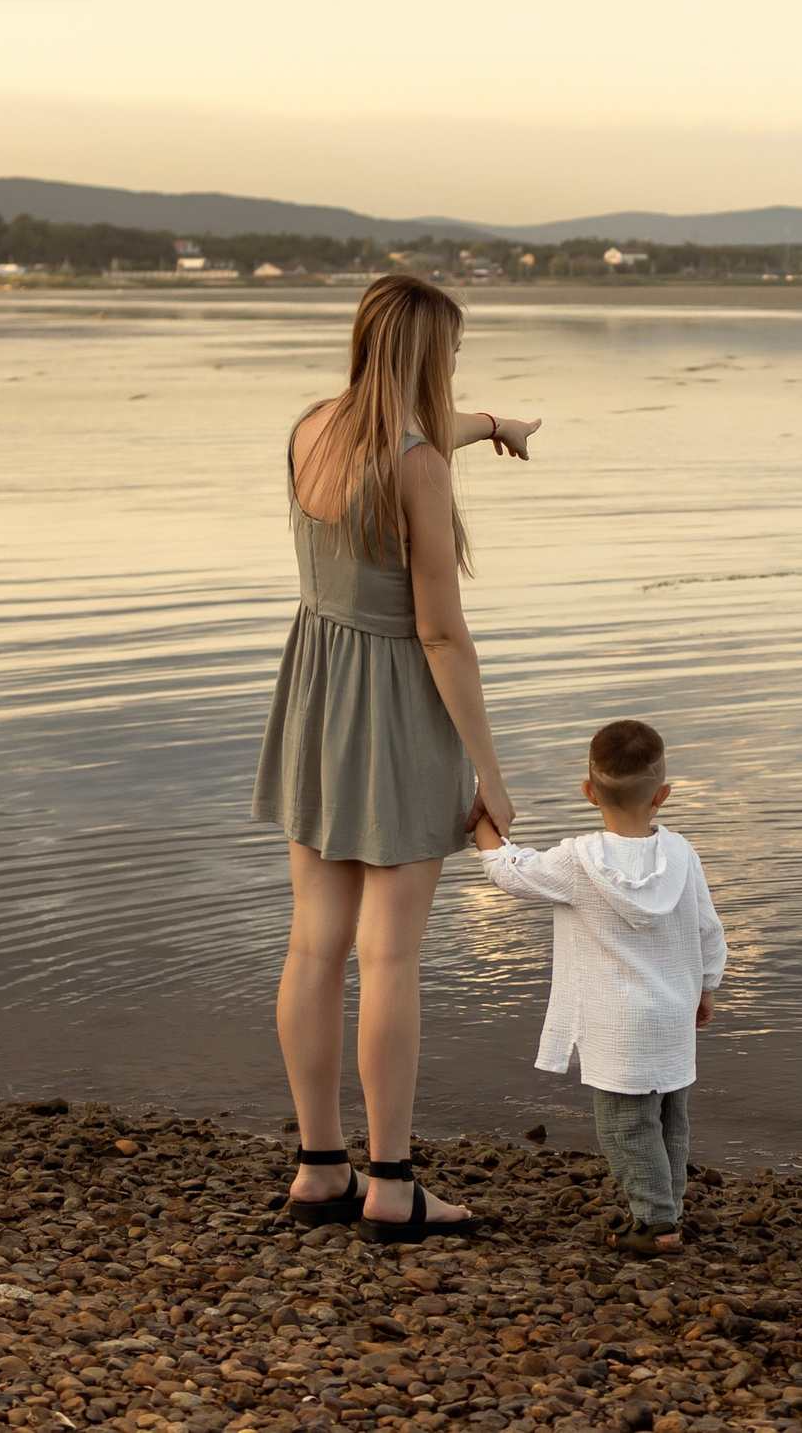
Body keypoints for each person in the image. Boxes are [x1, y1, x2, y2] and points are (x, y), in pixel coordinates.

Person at [253, 273, 543, 1244]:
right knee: (390, 958)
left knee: (313, 944)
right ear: (426, 356)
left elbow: (411, 435)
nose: (454, 372)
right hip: (393, 708)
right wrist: (490, 775)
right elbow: (441, 637)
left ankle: (318, 1168)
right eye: (451, 357)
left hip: (314, 701)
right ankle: (390, 1182)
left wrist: (493, 422)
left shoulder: (309, 429)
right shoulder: (416, 467)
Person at [479, 719, 729, 1255]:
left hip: (616, 1022)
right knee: (669, 1117)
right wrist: (707, 988)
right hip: (672, 1013)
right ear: (663, 795)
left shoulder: (577, 860)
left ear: (588, 792)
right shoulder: (682, 855)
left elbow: (510, 872)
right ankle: (669, 1210)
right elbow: (709, 928)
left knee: (624, 1125)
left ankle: (656, 1224)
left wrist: (484, 822)